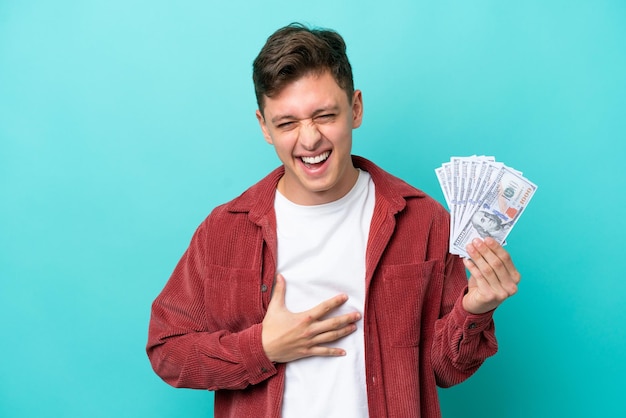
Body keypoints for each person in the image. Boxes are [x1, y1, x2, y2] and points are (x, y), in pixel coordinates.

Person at [146, 23, 521, 418]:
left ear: (355, 108)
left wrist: (476, 307)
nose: (308, 140)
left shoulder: (423, 220)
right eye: (287, 123)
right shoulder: (225, 230)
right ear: (264, 127)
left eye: (324, 115)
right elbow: (167, 350)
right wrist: (262, 348)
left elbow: (442, 370)